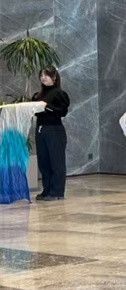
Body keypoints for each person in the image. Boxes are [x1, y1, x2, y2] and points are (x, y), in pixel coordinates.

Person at [33, 66, 70, 201]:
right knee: (44, 162)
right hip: (40, 130)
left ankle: (57, 192)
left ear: (54, 78)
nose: (43, 78)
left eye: (46, 75)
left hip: (54, 130)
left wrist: (46, 107)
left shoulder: (59, 93)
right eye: (41, 75)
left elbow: (62, 112)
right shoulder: (38, 95)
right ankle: (47, 190)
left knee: (56, 162)